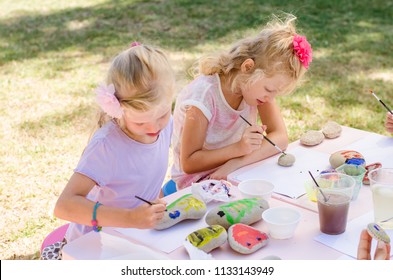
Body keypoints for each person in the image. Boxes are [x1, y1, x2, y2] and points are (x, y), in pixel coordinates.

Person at [41, 42, 175, 259]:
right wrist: (131, 218)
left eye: (161, 115)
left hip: (135, 236)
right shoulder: (106, 146)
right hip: (93, 247)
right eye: (140, 123)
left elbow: (143, 175)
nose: (153, 128)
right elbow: (64, 206)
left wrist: (151, 207)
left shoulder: (166, 125)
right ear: (119, 111)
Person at [171, 14, 312, 189]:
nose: (270, 98)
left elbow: (280, 139)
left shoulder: (256, 90)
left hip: (236, 171)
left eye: (276, 93)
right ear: (247, 67)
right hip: (196, 183)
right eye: (269, 90)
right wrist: (238, 149)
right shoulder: (203, 97)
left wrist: (237, 161)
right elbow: (189, 163)